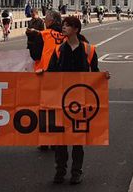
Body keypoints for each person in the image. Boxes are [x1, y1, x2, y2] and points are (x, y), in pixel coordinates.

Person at [45, 15, 109, 185]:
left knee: (77, 139)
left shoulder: (89, 50)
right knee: (60, 139)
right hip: (61, 99)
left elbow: (94, 72)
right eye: (63, 25)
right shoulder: (58, 50)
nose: (63, 28)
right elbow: (51, 73)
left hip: (80, 100)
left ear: (76, 29)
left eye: (67, 25)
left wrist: (103, 77)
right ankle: (60, 170)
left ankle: (76, 171)